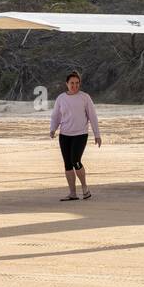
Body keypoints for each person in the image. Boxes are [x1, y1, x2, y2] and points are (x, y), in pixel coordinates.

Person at [49, 70, 101, 201]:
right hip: (65, 134)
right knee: (67, 164)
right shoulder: (61, 98)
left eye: (77, 83)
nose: (75, 85)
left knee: (75, 161)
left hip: (80, 134)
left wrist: (97, 134)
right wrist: (53, 129)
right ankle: (72, 193)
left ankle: (85, 188)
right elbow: (56, 115)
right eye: (72, 83)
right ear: (67, 84)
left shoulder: (85, 97)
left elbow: (92, 116)